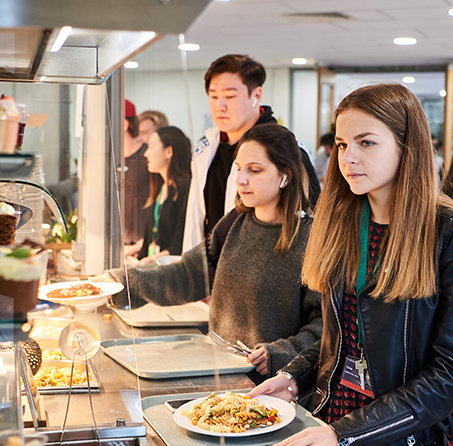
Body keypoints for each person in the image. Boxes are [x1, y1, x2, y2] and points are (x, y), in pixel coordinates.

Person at [248, 84, 453, 446]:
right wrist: (294, 378)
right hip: (341, 422)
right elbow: (343, 339)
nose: (348, 158)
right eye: (342, 144)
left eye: (366, 142)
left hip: (413, 437)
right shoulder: (343, 222)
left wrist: (346, 434)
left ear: (407, 148)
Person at [105, 124, 322, 380]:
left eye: (254, 170)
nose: (241, 180)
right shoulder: (233, 223)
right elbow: (188, 275)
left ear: (286, 175)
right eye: (239, 169)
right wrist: (125, 283)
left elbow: (325, 325)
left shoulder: (311, 239)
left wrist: (283, 352)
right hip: (219, 375)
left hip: (271, 390)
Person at [182, 54, 321, 252]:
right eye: (213, 96)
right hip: (212, 271)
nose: (219, 106)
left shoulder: (287, 149)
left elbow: (313, 219)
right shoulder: (206, 149)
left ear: (256, 96)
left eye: (230, 96)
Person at [124, 126, 191, 262]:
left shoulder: (185, 190)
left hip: (169, 269)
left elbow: (180, 244)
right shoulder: (160, 188)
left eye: (151, 147)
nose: (146, 154)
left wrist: (154, 259)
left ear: (169, 151)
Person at [122, 99, 150, 246]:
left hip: (141, 245)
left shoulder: (148, 155)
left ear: (125, 124)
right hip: (117, 243)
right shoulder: (111, 159)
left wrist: (145, 242)